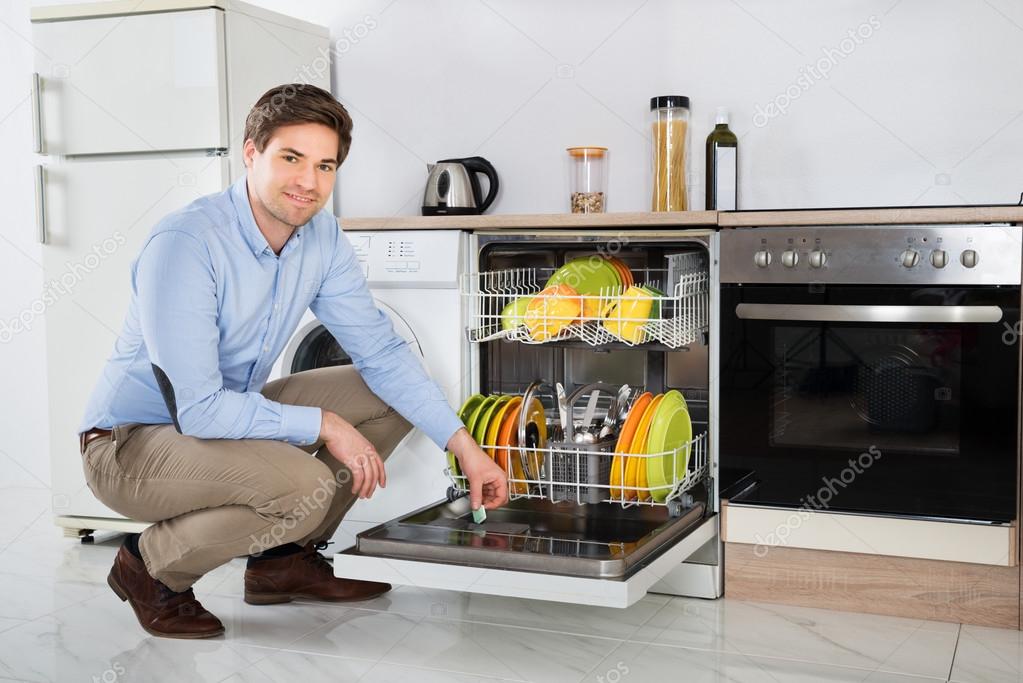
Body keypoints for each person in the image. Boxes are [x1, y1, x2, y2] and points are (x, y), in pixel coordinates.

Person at [76, 83, 508, 639]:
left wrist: (465, 448)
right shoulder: (187, 242)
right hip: (130, 443)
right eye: (291, 158)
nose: (309, 181)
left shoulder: (320, 237)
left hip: (225, 418)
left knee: (387, 395)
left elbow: (381, 351)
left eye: (325, 166)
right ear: (251, 153)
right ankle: (150, 566)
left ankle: (282, 562)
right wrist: (326, 425)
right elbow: (199, 409)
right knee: (304, 485)